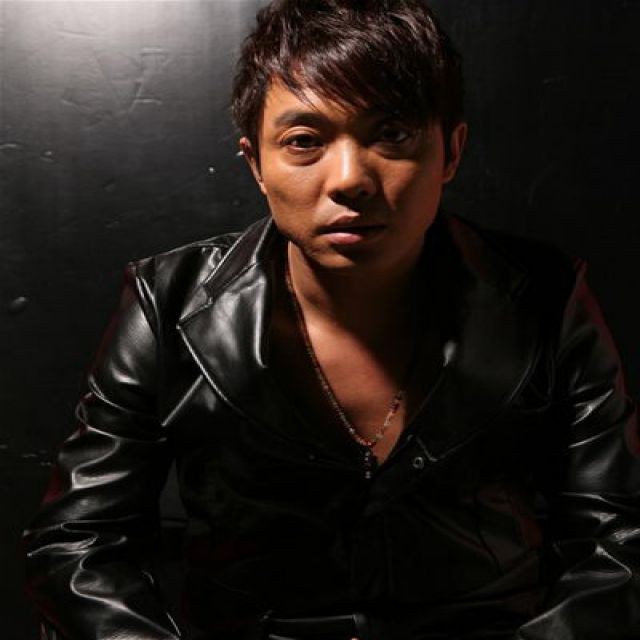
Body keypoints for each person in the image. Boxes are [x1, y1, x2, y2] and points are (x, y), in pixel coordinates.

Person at [23, 1, 640, 639]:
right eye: (304, 142)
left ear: (451, 152)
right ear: (256, 164)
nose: (350, 179)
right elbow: (77, 544)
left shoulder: (545, 295)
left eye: (392, 134)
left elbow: (621, 539)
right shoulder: (170, 303)